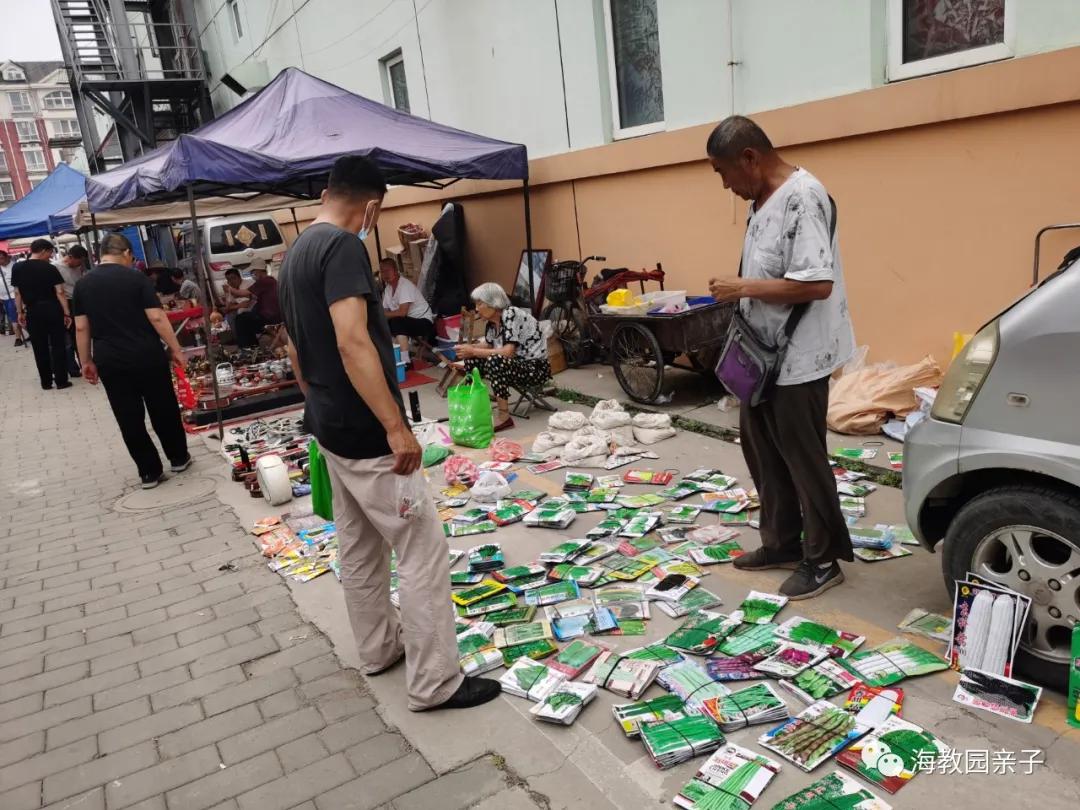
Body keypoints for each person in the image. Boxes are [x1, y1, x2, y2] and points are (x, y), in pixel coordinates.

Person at [279, 154, 500, 712]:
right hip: (365, 434)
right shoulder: (345, 247)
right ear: (372, 205)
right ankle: (436, 684)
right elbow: (353, 341)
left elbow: (297, 345)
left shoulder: (298, 250)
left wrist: (318, 404)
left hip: (329, 427)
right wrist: (396, 428)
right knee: (422, 551)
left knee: (358, 550)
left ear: (328, 190)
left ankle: (378, 650)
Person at [705, 115, 855, 600]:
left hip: (799, 358)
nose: (727, 185)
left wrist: (741, 287)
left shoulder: (802, 197)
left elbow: (816, 283)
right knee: (763, 451)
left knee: (802, 458)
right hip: (761, 356)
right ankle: (782, 542)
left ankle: (824, 558)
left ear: (750, 158)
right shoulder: (764, 201)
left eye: (725, 172)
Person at [73, 232, 192, 489]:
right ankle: (179, 458)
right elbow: (157, 317)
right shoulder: (136, 277)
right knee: (163, 407)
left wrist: (86, 361)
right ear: (126, 253)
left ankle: (149, 472)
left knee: (128, 415)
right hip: (146, 354)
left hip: (110, 359)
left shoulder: (83, 284)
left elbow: (81, 328)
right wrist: (176, 348)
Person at [455, 282, 550, 433]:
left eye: (480, 303)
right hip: (515, 365)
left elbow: (507, 352)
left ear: (493, 302)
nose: (476, 308)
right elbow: (490, 345)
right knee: (471, 359)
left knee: (495, 360)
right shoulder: (492, 323)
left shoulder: (511, 314)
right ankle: (473, 406)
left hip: (535, 368)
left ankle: (504, 416)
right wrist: (466, 349)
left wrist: (473, 350)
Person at [11, 239, 71, 390]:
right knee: (58, 345)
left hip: (32, 311)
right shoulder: (50, 268)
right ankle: (61, 381)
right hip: (52, 309)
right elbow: (60, 292)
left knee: (39, 347)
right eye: (50, 252)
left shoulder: (17, 268)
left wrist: (20, 312)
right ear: (44, 250)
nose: (50, 256)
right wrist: (67, 313)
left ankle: (46, 382)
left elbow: (17, 293)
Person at [380, 258, 435, 359]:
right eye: (382, 271)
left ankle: (405, 360)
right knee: (384, 325)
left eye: (388, 270)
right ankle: (395, 356)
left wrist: (383, 314)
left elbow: (402, 312)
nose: (385, 274)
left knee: (397, 322)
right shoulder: (388, 289)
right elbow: (385, 311)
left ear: (396, 271)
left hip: (424, 322)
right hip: (408, 322)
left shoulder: (405, 285)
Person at [235, 258, 282, 347]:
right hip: (272, 315)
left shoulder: (264, 281)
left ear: (259, 271)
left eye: (253, 272)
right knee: (245, 317)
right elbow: (253, 296)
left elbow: (241, 293)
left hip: (271, 317)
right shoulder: (270, 281)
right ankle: (251, 346)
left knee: (241, 320)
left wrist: (229, 289)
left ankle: (248, 348)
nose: (253, 275)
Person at [59, 245, 90, 377]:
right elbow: (59, 291)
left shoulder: (79, 267)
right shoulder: (57, 267)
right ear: (70, 257)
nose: (80, 263)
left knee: (82, 334)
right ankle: (72, 368)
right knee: (70, 337)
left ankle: (85, 363)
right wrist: (66, 311)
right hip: (67, 303)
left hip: (80, 300)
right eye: (79, 260)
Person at [0, 249, 27, 346]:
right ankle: (18, 337)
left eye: (1, 258)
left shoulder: (15, 266)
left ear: (7, 257)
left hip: (15, 295)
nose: (0, 261)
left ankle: (20, 337)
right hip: (4, 297)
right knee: (12, 317)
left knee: (20, 316)